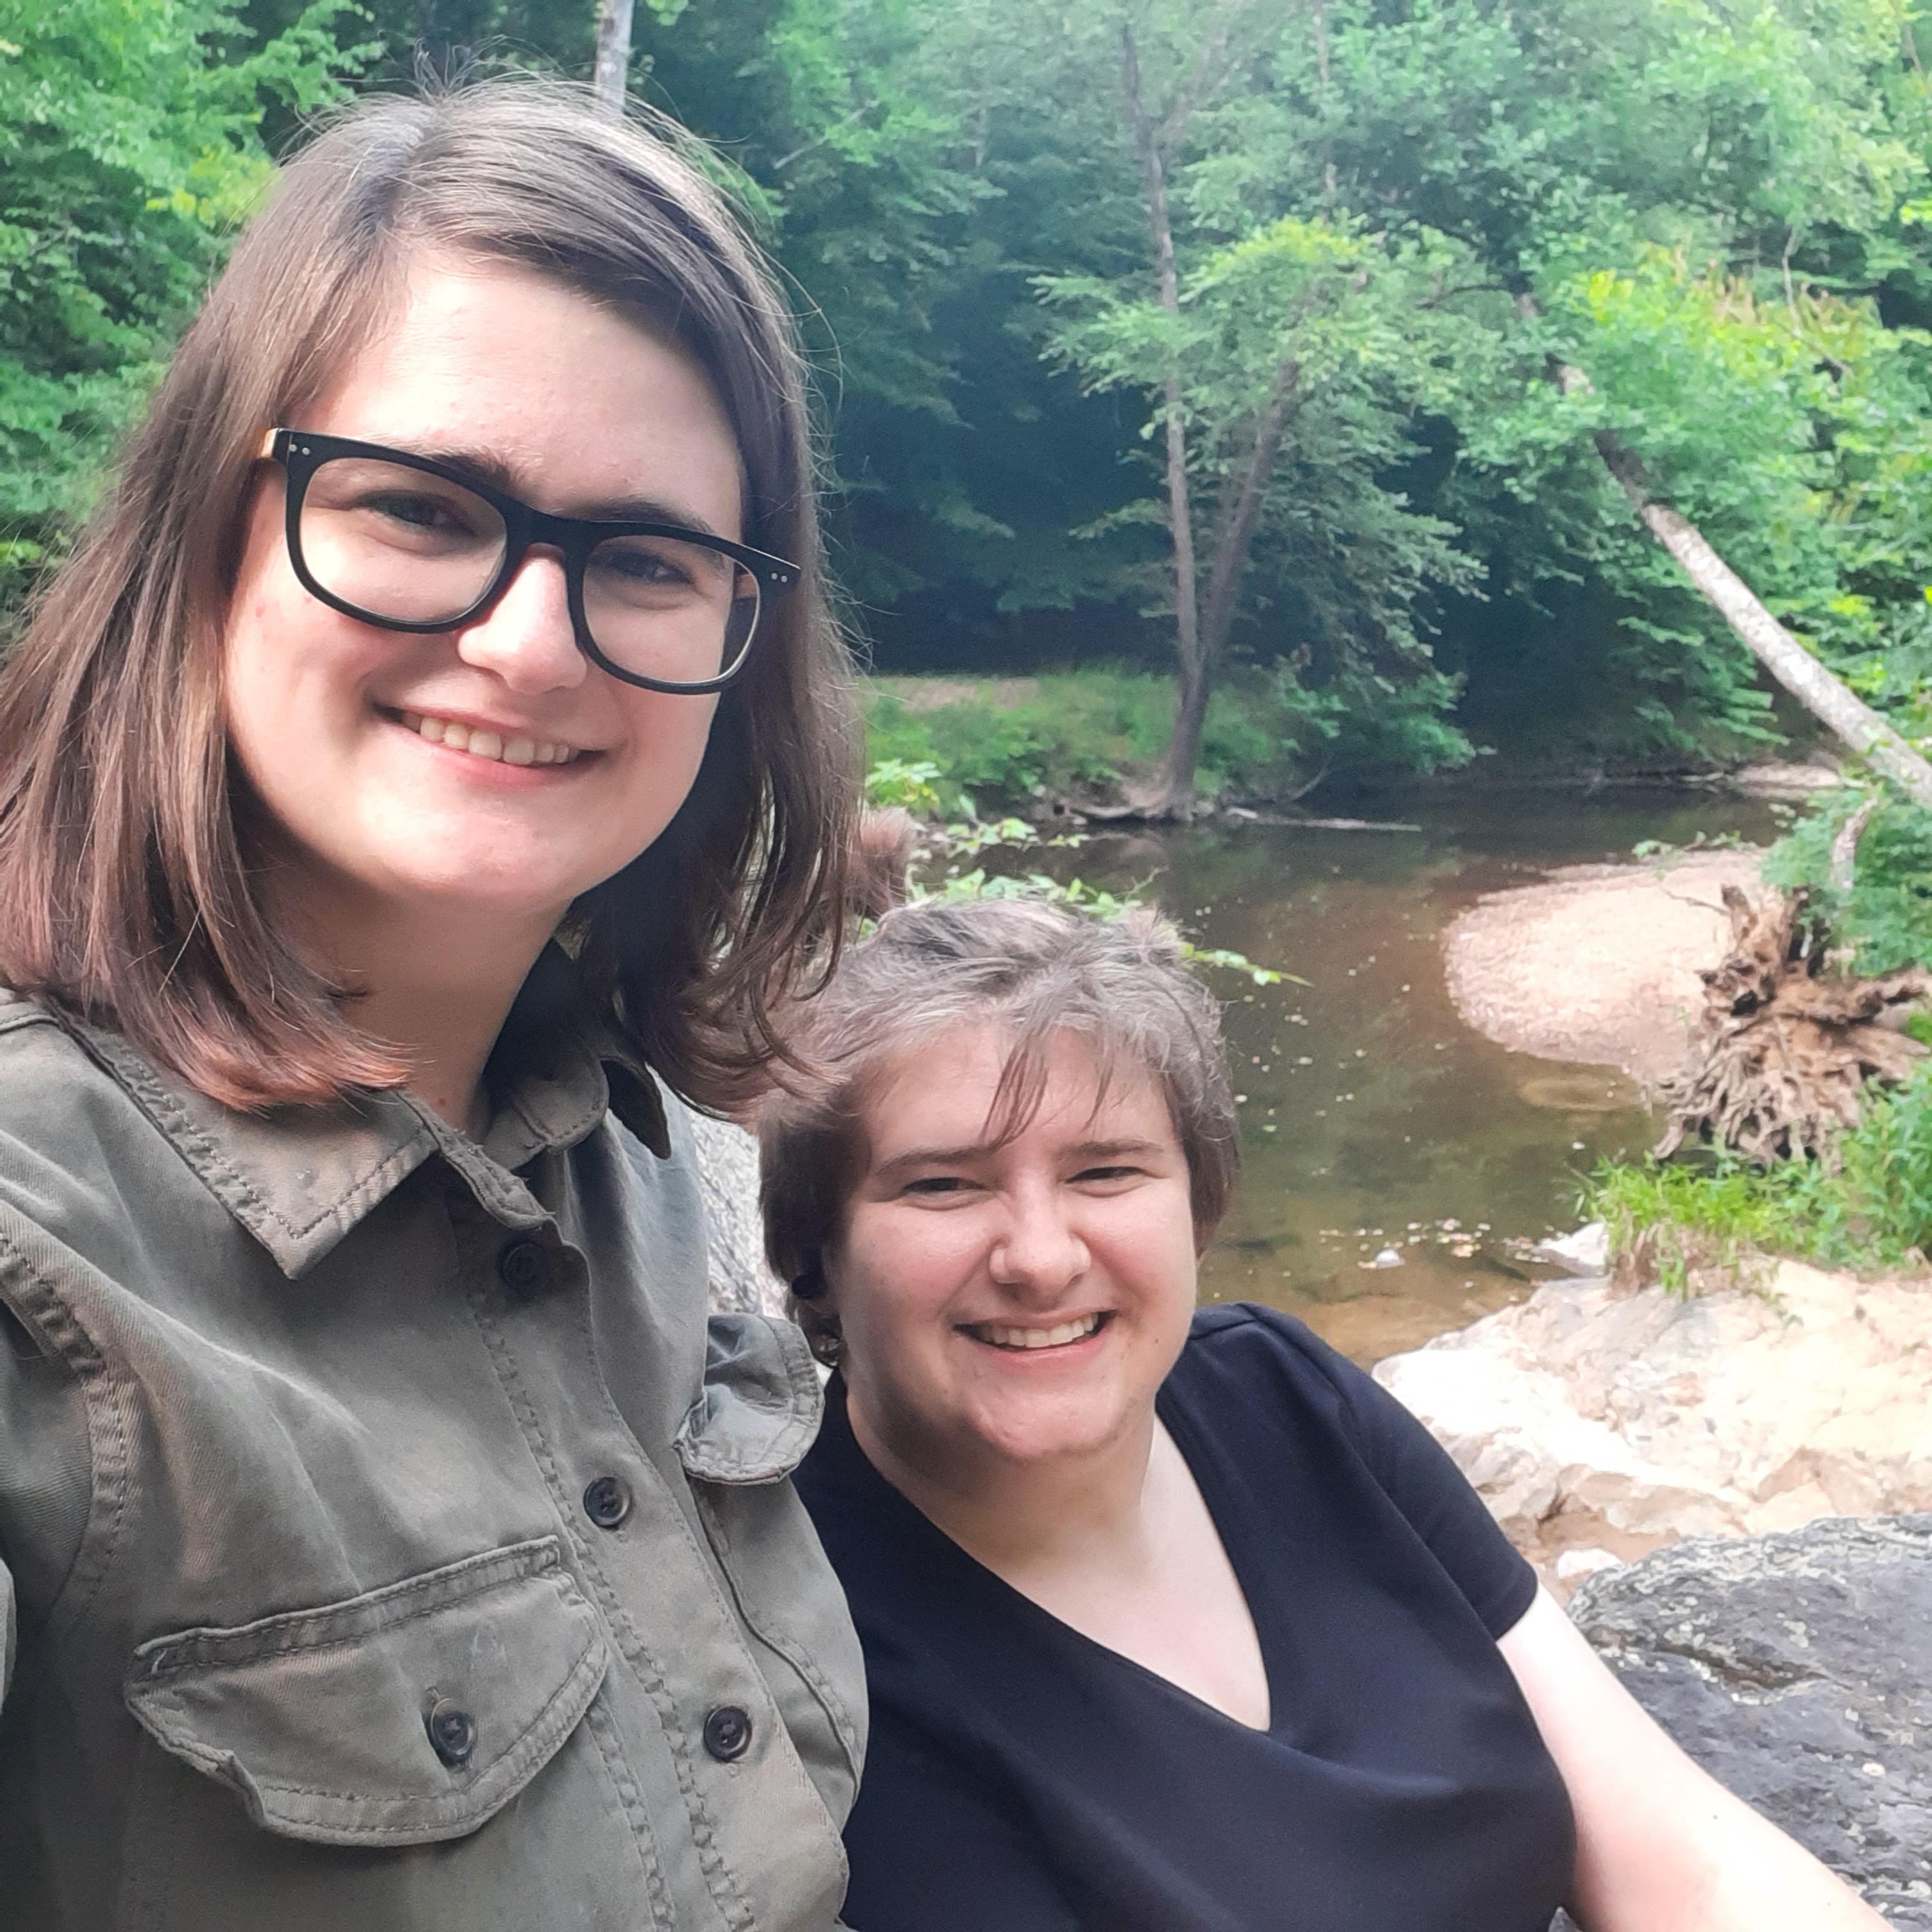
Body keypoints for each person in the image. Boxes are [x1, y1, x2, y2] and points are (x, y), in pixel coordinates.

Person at [0, 80, 868, 1932]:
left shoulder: (650, 1169)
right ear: (207, 537)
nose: (531, 643)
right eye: (416, 506)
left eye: (646, 557)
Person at [768, 898, 1889, 1932]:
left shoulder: (1284, 1399)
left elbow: (1671, 1850)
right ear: (814, 1254)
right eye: (942, 1186)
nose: (1041, 1258)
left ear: (1198, 1210)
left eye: (1105, 1172)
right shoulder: (795, 1635)